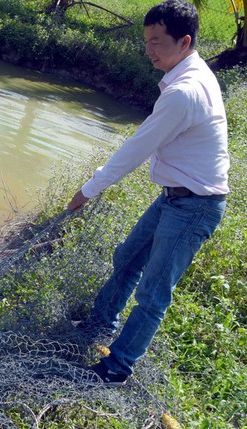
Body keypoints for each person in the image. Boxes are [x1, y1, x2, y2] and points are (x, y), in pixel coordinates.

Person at [68, 0, 229, 385]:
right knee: (127, 256)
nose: (148, 50)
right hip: (176, 197)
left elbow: (136, 148)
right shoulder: (188, 70)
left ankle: (117, 367)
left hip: (195, 206)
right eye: (146, 41)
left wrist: (88, 190)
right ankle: (100, 323)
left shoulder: (184, 91)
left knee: (153, 293)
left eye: (157, 42)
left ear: (184, 41)